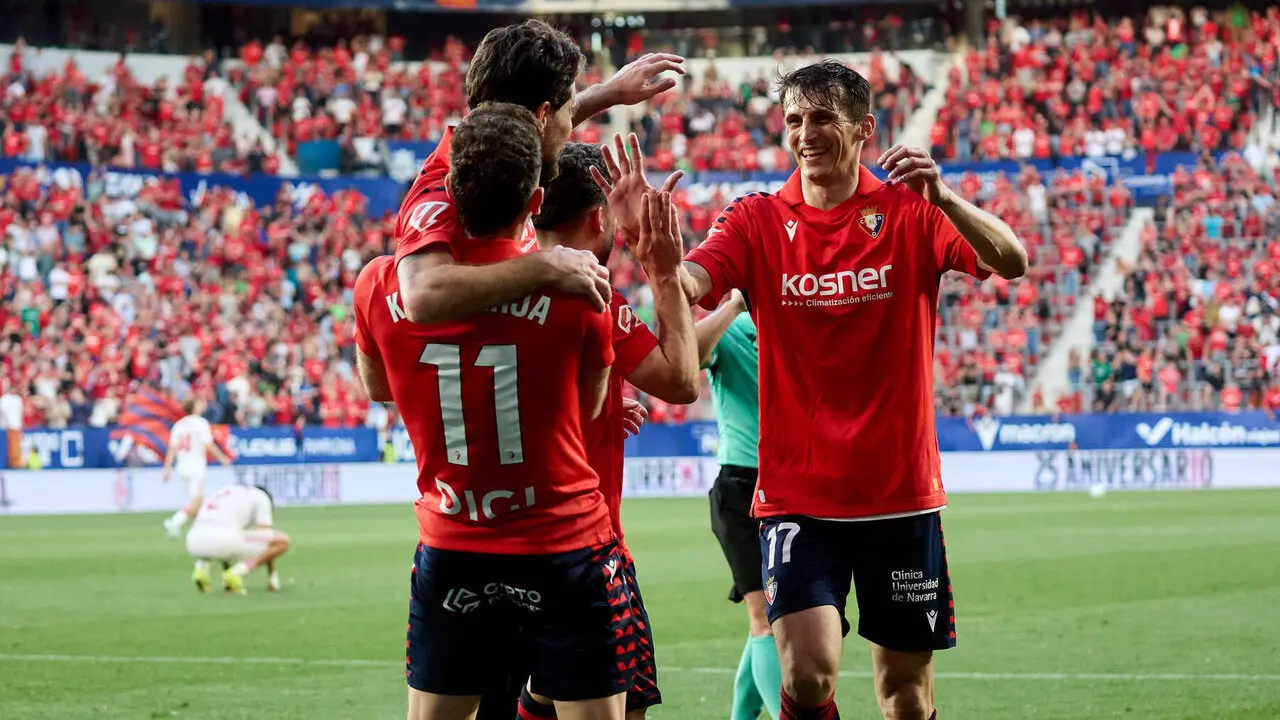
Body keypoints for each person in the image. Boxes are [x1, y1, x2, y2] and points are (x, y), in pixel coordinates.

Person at [597, 60, 1028, 720]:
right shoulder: (756, 220)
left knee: (905, 695)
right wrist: (647, 249)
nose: (805, 133)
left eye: (822, 118)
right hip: (798, 496)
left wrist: (944, 199)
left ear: (865, 128)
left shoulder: (911, 212)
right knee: (806, 673)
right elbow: (688, 287)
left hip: (899, 495)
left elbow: (1011, 260)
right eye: (794, 120)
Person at [354, 104, 637, 720]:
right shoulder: (578, 290)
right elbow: (590, 406)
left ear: (450, 190)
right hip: (564, 545)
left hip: (454, 541)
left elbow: (378, 388)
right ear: (536, 201)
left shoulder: (378, 285)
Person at [513, 143, 699, 720]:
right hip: (588, 544)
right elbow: (681, 380)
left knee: (541, 689)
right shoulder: (593, 297)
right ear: (600, 219)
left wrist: (603, 390)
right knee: (619, 705)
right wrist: (663, 270)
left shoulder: (482, 282)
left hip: (490, 543)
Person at [393, 20, 684, 328]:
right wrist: (547, 264)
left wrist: (608, 93)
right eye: (569, 110)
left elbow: (537, 128)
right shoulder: (441, 185)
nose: (571, 122)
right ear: (543, 114)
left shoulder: (501, 156)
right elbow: (421, 295)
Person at [694, 289, 782, 720]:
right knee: (766, 618)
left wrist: (730, 307)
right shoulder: (744, 328)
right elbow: (687, 356)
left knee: (767, 619)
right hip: (749, 487)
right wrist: (733, 307)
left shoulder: (768, 323)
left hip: (772, 485)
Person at [185, 484, 289, 595]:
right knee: (282, 541)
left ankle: (201, 570)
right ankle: (236, 573)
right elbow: (267, 538)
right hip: (224, 540)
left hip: (193, 542)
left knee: (229, 538)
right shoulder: (262, 497)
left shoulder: (226, 491)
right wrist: (272, 576)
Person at [162, 397, 234, 538]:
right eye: (199, 403)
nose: (202, 405)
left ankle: (201, 531)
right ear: (194, 407)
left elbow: (172, 448)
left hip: (182, 465)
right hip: (195, 465)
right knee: (198, 500)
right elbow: (207, 444)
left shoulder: (179, 425)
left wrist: (167, 468)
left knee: (196, 501)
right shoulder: (201, 423)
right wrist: (222, 458)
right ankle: (175, 521)